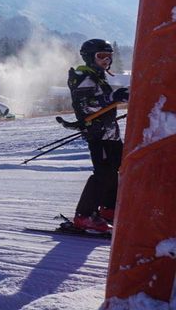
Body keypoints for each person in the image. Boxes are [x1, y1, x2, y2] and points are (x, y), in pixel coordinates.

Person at [68, 39, 128, 233]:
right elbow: (86, 105)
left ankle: (108, 208)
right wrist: (112, 97)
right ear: (89, 57)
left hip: (110, 132)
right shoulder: (83, 76)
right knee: (103, 173)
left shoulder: (98, 76)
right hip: (97, 133)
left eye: (109, 56)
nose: (106, 60)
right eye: (101, 56)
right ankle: (84, 215)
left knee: (116, 168)